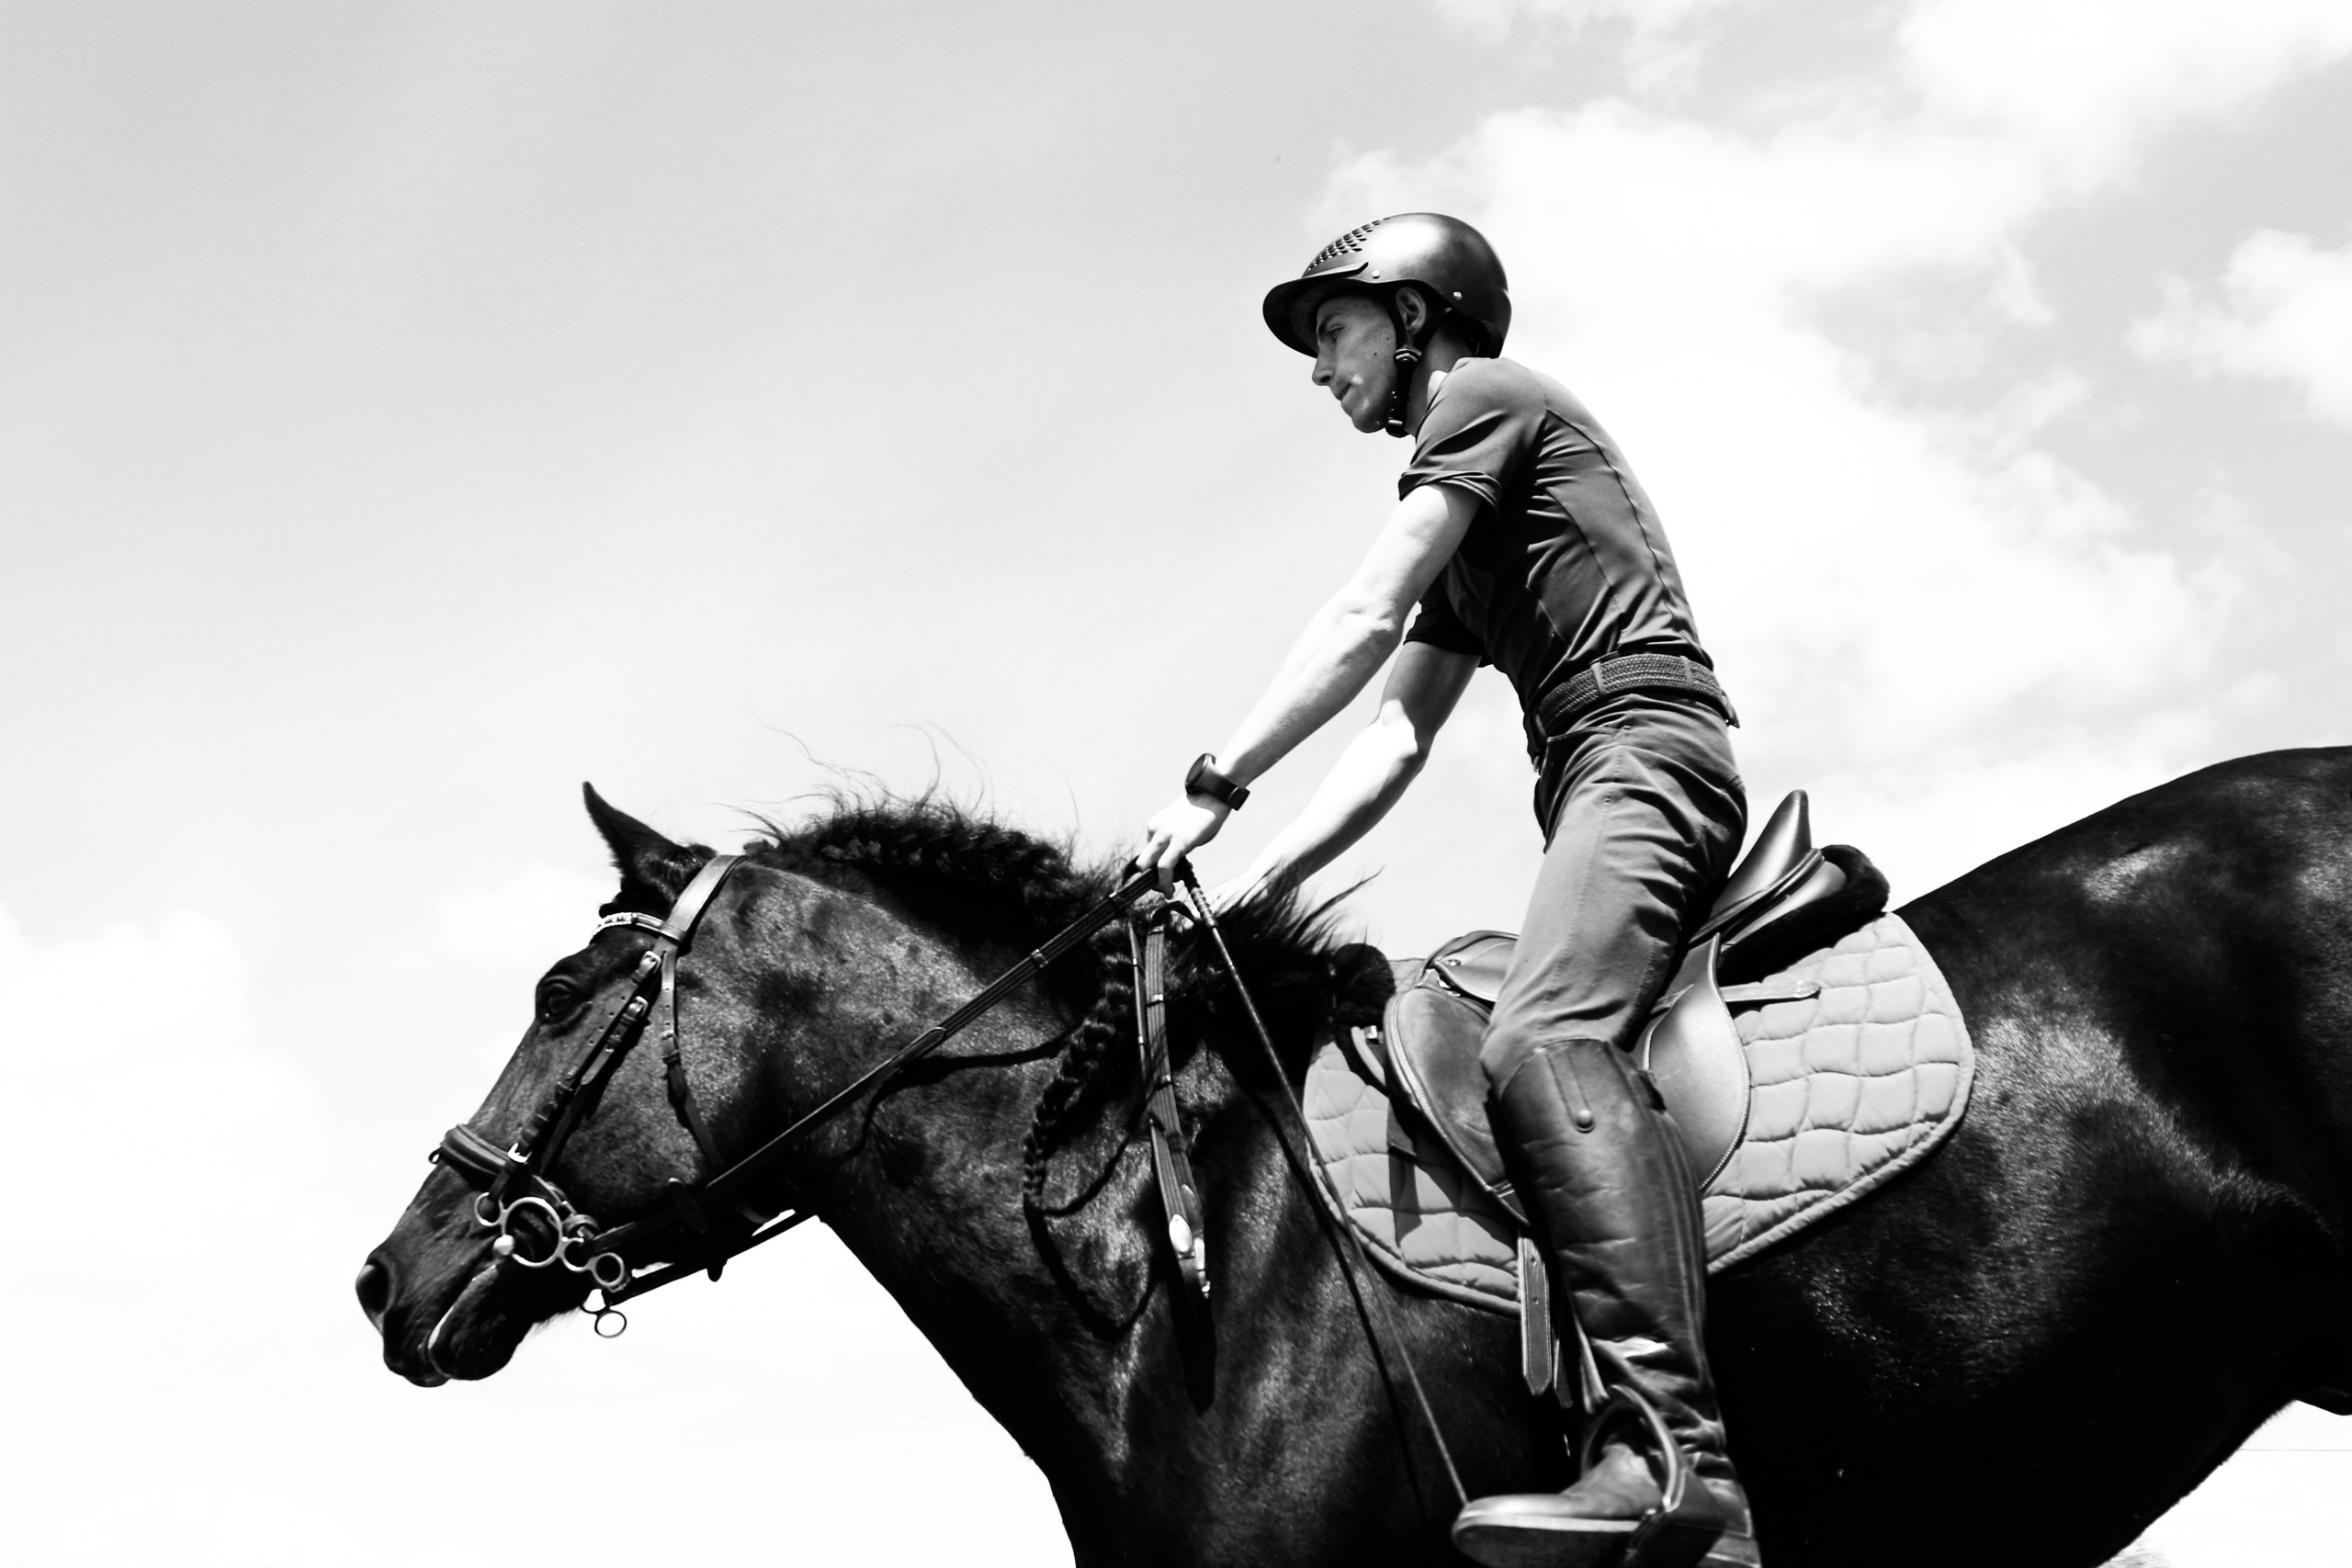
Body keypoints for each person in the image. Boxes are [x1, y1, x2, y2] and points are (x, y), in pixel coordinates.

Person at [1131, 213, 1758, 1568]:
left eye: (1334, 331)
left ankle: (1678, 1465)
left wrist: (1214, 780)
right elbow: (1397, 735)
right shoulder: (1478, 534)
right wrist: (1258, 879)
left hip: (1644, 752)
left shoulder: (1483, 399)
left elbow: (1362, 615)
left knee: (1545, 1040)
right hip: (1588, 771)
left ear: (1416, 317)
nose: (1320, 370)